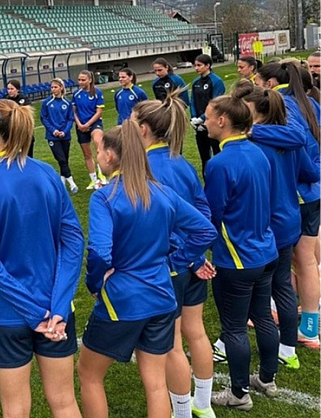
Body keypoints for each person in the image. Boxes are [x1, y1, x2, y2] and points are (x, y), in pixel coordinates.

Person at [77, 121, 215, 418]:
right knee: (154, 383)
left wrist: (95, 283)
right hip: (162, 296)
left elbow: (100, 252)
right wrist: (174, 261)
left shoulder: (105, 196)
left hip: (123, 300)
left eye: (100, 150)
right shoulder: (161, 191)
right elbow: (205, 230)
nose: (98, 156)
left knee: (89, 374)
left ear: (110, 156)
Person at [0, 99, 84, 418]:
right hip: (55, 311)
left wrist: (37, 314)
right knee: (64, 402)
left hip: (8, 313)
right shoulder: (47, 174)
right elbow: (73, 242)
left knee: (16, 409)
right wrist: (57, 308)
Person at [131, 96, 216, 418]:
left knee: (172, 344)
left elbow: (159, 225)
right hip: (190, 260)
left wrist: (184, 257)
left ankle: (182, 412)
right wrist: (196, 254)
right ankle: (203, 405)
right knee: (196, 332)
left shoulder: (145, 168)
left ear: (143, 129)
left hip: (171, 266)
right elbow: (202, 213)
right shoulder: (182, 162)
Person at [201, 96, 279, 411]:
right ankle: (267, 378)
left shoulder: (219, 163)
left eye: (208, 116)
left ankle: (238, 393)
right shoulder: (259, 152)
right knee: (261, 315)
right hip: (265, 251)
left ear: (222, 121)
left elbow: (211, 215)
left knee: (233, 326)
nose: (204, 121)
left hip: (237, 258)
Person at [233, 83, 318, 370]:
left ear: (255, 112)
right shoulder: (288, 141)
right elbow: (311, 172)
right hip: (289, 219)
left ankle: (235, 342)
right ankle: (288, 348)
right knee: (281, 284)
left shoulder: (253, 144)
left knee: (257, 288)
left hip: (264, 223)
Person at [253, 61, 321, 350]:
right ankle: (304, 318)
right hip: (312, 189)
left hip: (303, 193)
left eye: (257, 81)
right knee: (308, 259)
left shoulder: (286, 104)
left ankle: (309, 326)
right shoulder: (308, 102)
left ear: (269, 84)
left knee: (303, 259)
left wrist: (249, 132)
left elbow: (295, 139)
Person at [189, 54, 225, 176]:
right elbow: (192, 101)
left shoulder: (216, 81)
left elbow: (216, 103)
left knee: (217, 152)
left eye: (199, 65)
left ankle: (220, 176)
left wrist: (202, 118)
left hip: (212, 123)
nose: (196, 68)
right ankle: (207, 178)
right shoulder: (195, 82)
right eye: (195, 65)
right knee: (204, 155)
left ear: (208, 65)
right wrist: (194, 118)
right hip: (199, 125)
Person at [40, 78, 78, 194]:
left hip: (65, 136)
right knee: (61, 159)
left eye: (55, 87)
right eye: (52, 87)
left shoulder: (67, 103)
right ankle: (72, 183)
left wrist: (64, 131)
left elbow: (70, 119)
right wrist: (54, 131)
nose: (53, 89)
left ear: (61, 87)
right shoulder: (47, 103)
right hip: (52, 137)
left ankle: (61, 183)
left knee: (64, 160)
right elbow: (44, 118)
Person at [73, 70, 106, 190]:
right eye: (79, 80)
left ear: (90, 80)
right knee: (87, 154)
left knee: (99, 145)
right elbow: (74, 111)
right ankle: (93, 180)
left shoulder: (97, 93)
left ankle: (102, 176)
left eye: (83, 80)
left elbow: (99, 112)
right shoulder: (76, 94)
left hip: (94, 123)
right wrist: (79, 124)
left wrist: (87, 124)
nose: (80, 82)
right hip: (81, 125)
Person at [5, 79, 35, 157]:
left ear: (17, 89)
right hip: (11, 134)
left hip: (25, 132)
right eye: (8, 89)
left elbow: (28, 113)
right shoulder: (5, 100)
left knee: (27, 157)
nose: (10, 91)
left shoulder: (25, 99)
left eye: (12, 89)